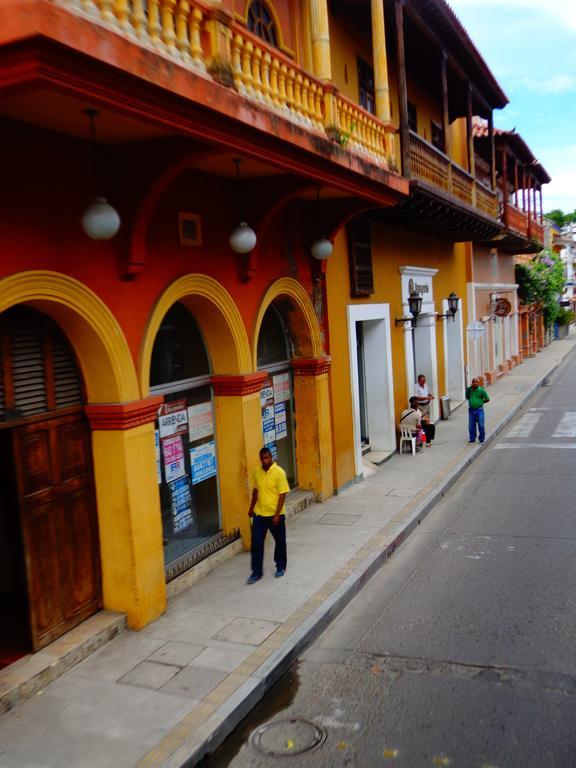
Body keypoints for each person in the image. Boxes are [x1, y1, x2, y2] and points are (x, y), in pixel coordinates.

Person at [247, 447, 290, 584]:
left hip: (275, 514)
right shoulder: (257, 472)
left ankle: (280, 566)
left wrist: (277, 514)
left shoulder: (279, 473)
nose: (265, 460)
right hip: (260, 513)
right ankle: (256, 572)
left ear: (271, 457)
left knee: (280, 541)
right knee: (256, 543)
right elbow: (255, 491)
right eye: (263, 458)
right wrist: (251, 508)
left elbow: (282, 494)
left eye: (267, 458)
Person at [466, 377, 490, 444]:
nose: (475, 383)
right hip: (471, 410)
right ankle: (472, 439)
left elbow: (487, 399)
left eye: (476, 382)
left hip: (479, 410)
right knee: (471, 425)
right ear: (472, 383)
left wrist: (481, 402)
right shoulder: (469, 389)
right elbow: (467, 397)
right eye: (474, 382)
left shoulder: (481, 390)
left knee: (481, 425)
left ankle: (481, 439)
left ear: (478, 383)